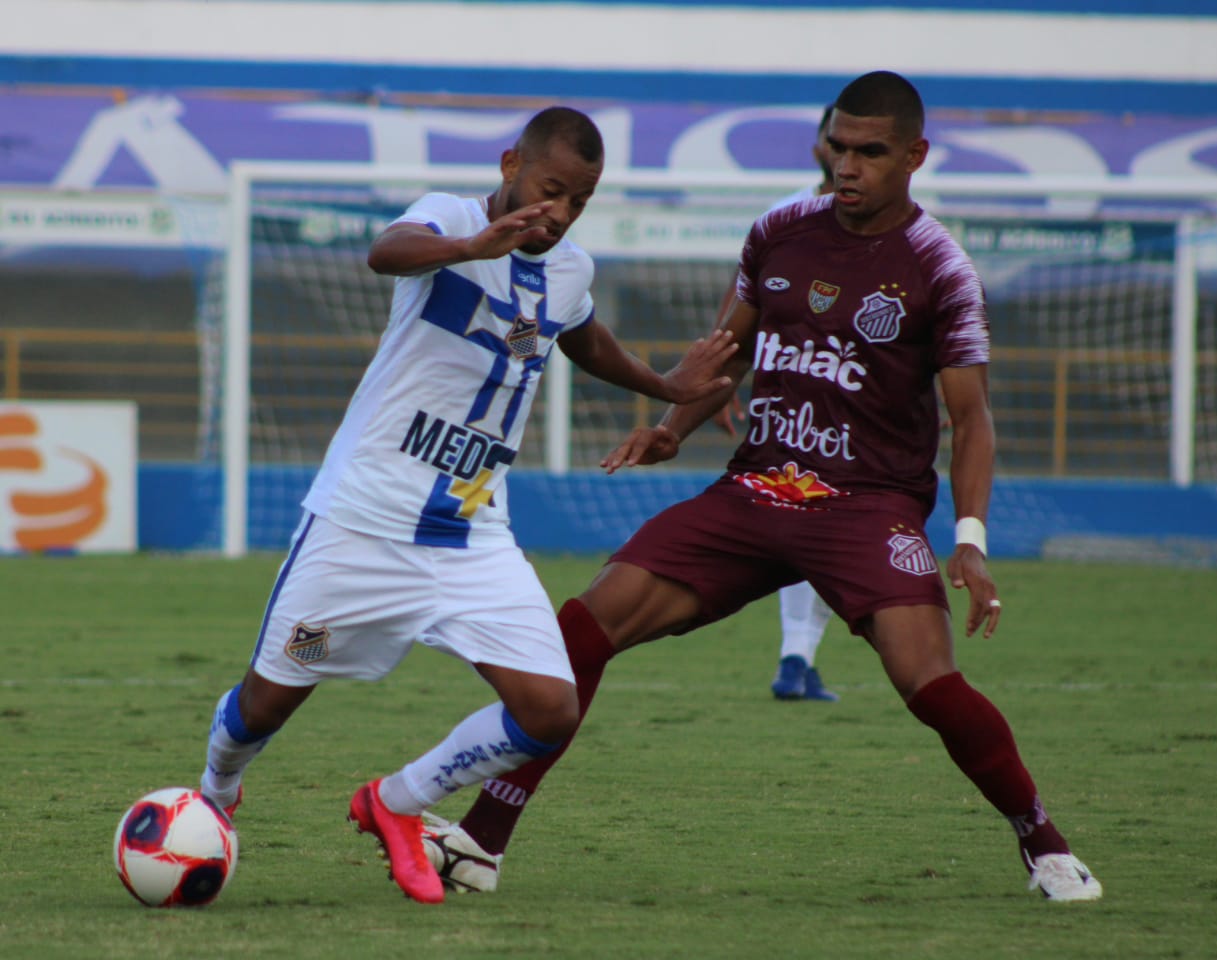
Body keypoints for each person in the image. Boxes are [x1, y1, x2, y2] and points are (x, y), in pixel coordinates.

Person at [422, 71, 1103, 902]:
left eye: (870, 153)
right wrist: (673, 427)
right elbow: (727, 354)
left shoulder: (940, 269)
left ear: (915, 156)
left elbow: (972, 416)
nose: (848, 166)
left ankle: (1045, 844)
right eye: (838, 148)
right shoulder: (779, 232)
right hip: (755, 492)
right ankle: (481, 843)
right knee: (582, 629)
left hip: (867, 505)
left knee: (928, 682)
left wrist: (969, 539)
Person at [196, 106, 736, 905]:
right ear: (512, 162)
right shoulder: (448, 218)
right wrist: (470, 248)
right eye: (551, 189)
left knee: (550, 709)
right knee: (266, 700)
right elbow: (387, 253)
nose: (559, 212)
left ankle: (397, 801)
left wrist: (665, 389)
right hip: (362, 524)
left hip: (472, 535)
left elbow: (583, 339)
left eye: (579, 201)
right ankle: (215, 788)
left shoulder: (569, 270)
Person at [711, 104, 840, 702]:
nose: (848, 156)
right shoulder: (782, 218)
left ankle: (799, 659)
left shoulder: (916, 231)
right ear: (819, 146)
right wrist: (717, 378)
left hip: (870, 400)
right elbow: (743, 298)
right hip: (797, 397)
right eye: (838, 141)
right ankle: (796, 657)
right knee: (818, 521)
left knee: (819, 522)